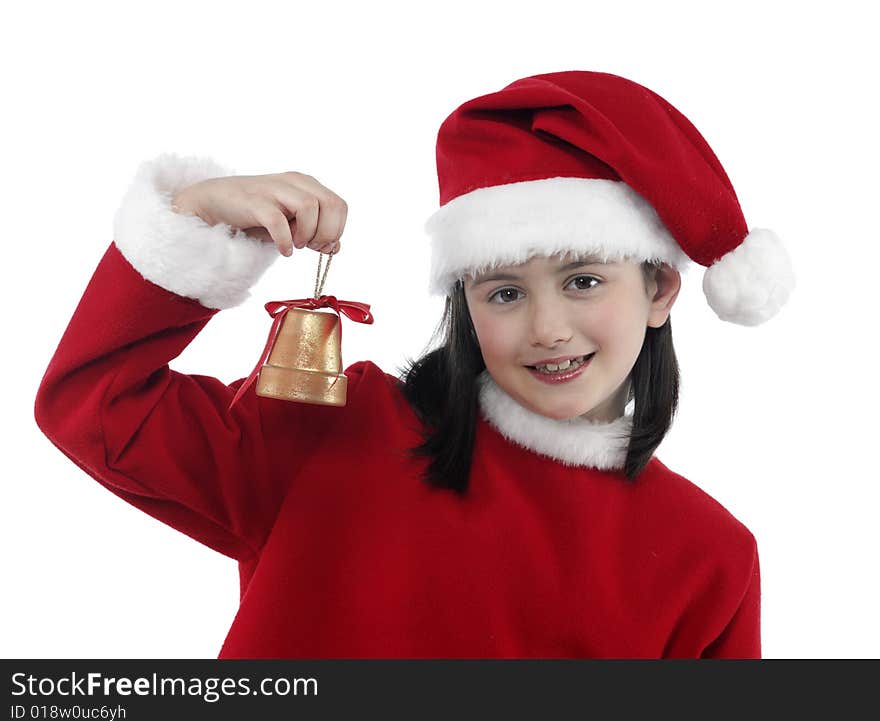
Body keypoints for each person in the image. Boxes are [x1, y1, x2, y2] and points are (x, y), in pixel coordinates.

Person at [34, 70, 795, 658]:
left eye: (584, 280)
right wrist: (194, 217)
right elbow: (95, 405)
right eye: (503, 291)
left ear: (660, 286)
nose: (547, 327)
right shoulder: (335, 433)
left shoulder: (710, 557)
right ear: (465, 301)